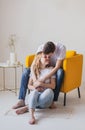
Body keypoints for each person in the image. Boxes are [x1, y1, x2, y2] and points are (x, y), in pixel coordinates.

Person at [12, 41, 66, 113]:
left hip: (53, 68)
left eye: (49, 56)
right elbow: (32, 66)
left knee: (60, 72)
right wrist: (35, 81)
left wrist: (43, 79)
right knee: (25, 71)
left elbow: (57, 67)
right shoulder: (41, 47)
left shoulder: (61, 48)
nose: (47, 58)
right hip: (41, 67)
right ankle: (21, 100)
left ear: (53, 53)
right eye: (45, 55)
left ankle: (53, 101)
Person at [27, 52, 56, 124]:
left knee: (49, 91)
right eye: (45, 57)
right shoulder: (35, 71)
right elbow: (29, 85)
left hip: (45, 99)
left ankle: (28, 107)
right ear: (39, 59)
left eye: (49, 57)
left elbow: (53, 86)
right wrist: (35, 88)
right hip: (36, 95)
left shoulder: (50, 69)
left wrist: (41, 84)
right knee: (34, 93)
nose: (48, 58)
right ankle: (32, 116)